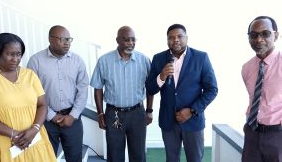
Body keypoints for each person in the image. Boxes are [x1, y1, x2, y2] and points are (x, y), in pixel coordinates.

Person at [145, 24, 218, 162]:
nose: (176, 40)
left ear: (187, 38)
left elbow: (212, 89)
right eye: (171, 37)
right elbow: (150, 89)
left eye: (179, 36)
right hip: (168, 121)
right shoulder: (158, 59)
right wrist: (161, 77)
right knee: (171, 159)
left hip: (193, 120)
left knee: (195, 159)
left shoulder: (201, 58)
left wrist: (191, 110)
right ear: (167, 41)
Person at [0, 33, 56, 161]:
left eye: (18, 54)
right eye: (10, 54)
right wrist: (14, 134)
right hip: (2, 143)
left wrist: (34, 129)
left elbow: (42, 105)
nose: (15, 59)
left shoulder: (30, 75)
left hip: (34, 140)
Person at [90, 26, 153, 162]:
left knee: (138, 154)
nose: (130, 43)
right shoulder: (104, 61)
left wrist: (149, 110)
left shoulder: (144, 60)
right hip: (114, 114)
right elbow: (98, 88)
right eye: (126, 40)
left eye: (133, 39)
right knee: (114, 154)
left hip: (137, 113)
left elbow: (151, 87)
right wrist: (100, 113)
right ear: (117, 40)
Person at [27, 25, 89, 162]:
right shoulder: (35, 61)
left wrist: (72, 116)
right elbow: (31, 93)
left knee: (75, 158)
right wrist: (52, 116)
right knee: (46, 158)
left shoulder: (78, 61)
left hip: (73, 120)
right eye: (62, 39)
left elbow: (83, 90)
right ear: (50, 39)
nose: (67, 42)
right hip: (46, 120)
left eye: (69, 39)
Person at [241, 16, 282, 162]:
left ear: (275, 35)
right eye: (254, 35)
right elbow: (254, 99)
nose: (259, 39)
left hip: (277, 135)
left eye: (265, 33)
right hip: (252, 132)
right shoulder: (246, 68)